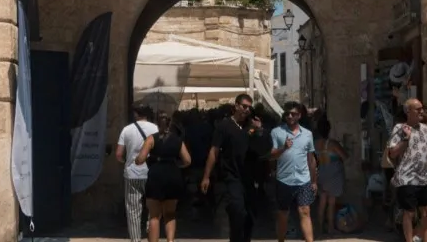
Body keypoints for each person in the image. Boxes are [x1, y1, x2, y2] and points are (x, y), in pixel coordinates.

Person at [200, 93, 266, 242]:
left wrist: (260, 131)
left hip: (250, 177)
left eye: (250, 107)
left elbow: (263, 150)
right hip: (232, 176)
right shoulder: (224, 126)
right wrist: (206, 176)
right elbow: (214, 151)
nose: (247, 110)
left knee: (250, 215)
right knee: (237, 210)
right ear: (236, 106)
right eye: (244, 106)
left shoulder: (252, 126)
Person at [387, 99, 427, 242]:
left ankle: (418, 233)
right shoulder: (399, 128)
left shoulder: (426, 129)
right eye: (418, 109)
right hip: (407, 177)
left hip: (425, 177)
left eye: (422, 108)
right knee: (409, 213)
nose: (421, 111)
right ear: (408, 112)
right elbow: (392, 153)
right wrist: (405, 139)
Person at [136, 112, 192, 242]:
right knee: (170, 214)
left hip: (156, 176)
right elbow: (188, 160)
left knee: (154, 216)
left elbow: (141, 158)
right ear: (170, 123)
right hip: (173, 175)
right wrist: (178, 166)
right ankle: (170, 241)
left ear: (157, 123)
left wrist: (138, 160)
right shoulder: (178, 140)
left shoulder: (151, 139)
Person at [270, 101, 318, 242]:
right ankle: (281, 240)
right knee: (283, 214)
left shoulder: (307, 134)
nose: (290, 116)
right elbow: (272, 155)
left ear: (299, 115)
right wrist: (283, 148)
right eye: (288, 113)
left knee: (305, 211)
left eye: (294, 114)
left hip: (303, 180)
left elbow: (311, 159)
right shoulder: (277, 132)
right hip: (284, 180)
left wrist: (314, 181)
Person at [117, 104, 159, 242]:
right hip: (151, 174)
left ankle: (135, 239)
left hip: (132, 174)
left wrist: (127, 162)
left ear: (136, 114)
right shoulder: (155, 128)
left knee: (133, 211)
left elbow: (118, 154)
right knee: (153, 209)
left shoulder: (126, 130)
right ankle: (150, 234)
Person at [314, 116, 347, 235]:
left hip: (321, 173)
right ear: (329, 129)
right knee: (331, 203)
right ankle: (330, 228)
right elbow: (345, 157)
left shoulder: (315, 143)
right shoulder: (332, 143)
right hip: (333, 175)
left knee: (322, 202)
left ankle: (319, 227)